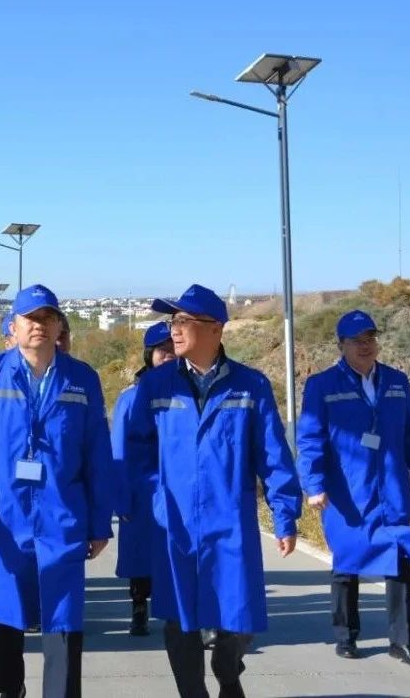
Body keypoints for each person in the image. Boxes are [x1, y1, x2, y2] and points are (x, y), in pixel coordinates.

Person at [126, 284, 302, 698]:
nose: (174, 330)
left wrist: (285, 514)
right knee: (179, 618)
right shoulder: (157, 386)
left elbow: (272, 455)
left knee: (237, 615)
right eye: (173, 321)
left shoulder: (250, 386)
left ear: (215, 329)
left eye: (184, 321)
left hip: (230, 522)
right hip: (175, 522)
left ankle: (228, 669)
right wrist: (155, 498)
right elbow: (137, 452)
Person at [0, 283, 114, 698]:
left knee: (64, 615)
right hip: (3, 515)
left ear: (58, 326)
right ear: (14, 326)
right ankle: (11, 689)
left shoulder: (81, 379)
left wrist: (99, 523)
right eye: (31, 318)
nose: (39, 325)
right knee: (7, 608)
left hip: (61, 515)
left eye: (47, 318)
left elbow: (97, 455)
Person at [297, 310, 410, 670]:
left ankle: (402, 643)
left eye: (370, 338)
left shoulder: (396, 382)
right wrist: (314, 484)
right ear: (341, 345)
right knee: (347, 561)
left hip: (391, 488)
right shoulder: (322, 386)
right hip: (347, 492)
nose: (365, 346)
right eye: (357, 340)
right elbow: (310, 440)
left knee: (400, 558)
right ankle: (346, 635)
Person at [113, 321, 175, 636]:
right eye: (162, 350)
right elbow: (119, 450)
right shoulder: (130, 398)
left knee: (181, 554)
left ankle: (186, 616)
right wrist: (121, 497)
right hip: (142, 491)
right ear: (149, 354)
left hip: (177, 489)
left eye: (173, 349)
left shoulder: (189, 394)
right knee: (140, 555)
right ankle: (139, 608)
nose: (169, 355)